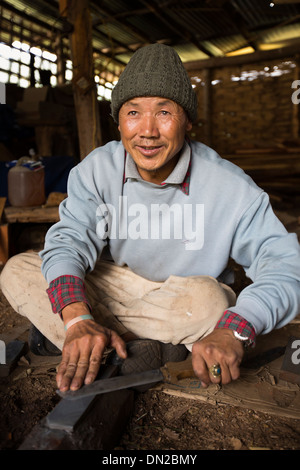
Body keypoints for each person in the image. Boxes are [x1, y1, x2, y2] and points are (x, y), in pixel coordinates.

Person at [1, 43, 300, 395]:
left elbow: (286, 266)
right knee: (18, 271)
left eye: (163, 113)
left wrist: (234, 330)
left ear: (188, 120)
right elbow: (71, 239)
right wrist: (79, 314)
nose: (147, 131)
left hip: (182, 297)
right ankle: (129, 340)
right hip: (114, 284)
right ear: (119, 121)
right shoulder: (97, 170)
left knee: (211, 302)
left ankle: (90, 341)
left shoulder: (229, 186)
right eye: (133, 113)